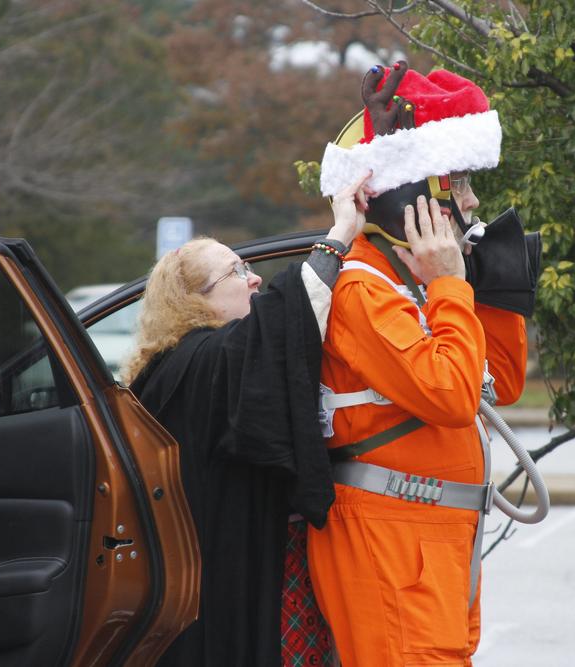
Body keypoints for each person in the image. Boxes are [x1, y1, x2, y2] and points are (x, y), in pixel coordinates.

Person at [308, 63, 529, 665]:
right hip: (391, 539)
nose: (473, 201)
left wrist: (493, 290)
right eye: (457, 185)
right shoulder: (362, 289)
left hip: (433, 542)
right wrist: (452, 287)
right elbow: (451, 396)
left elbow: (499, 386)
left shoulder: (417, 283)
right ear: (414, 194)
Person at [121, 172, 372, 666]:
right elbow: (281, 320)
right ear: (195, 301)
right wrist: (341, 234)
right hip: (241, 570)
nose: (254, 277)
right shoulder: (207, 359)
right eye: (237, 272)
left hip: (198, 575)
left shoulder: (166, 367)